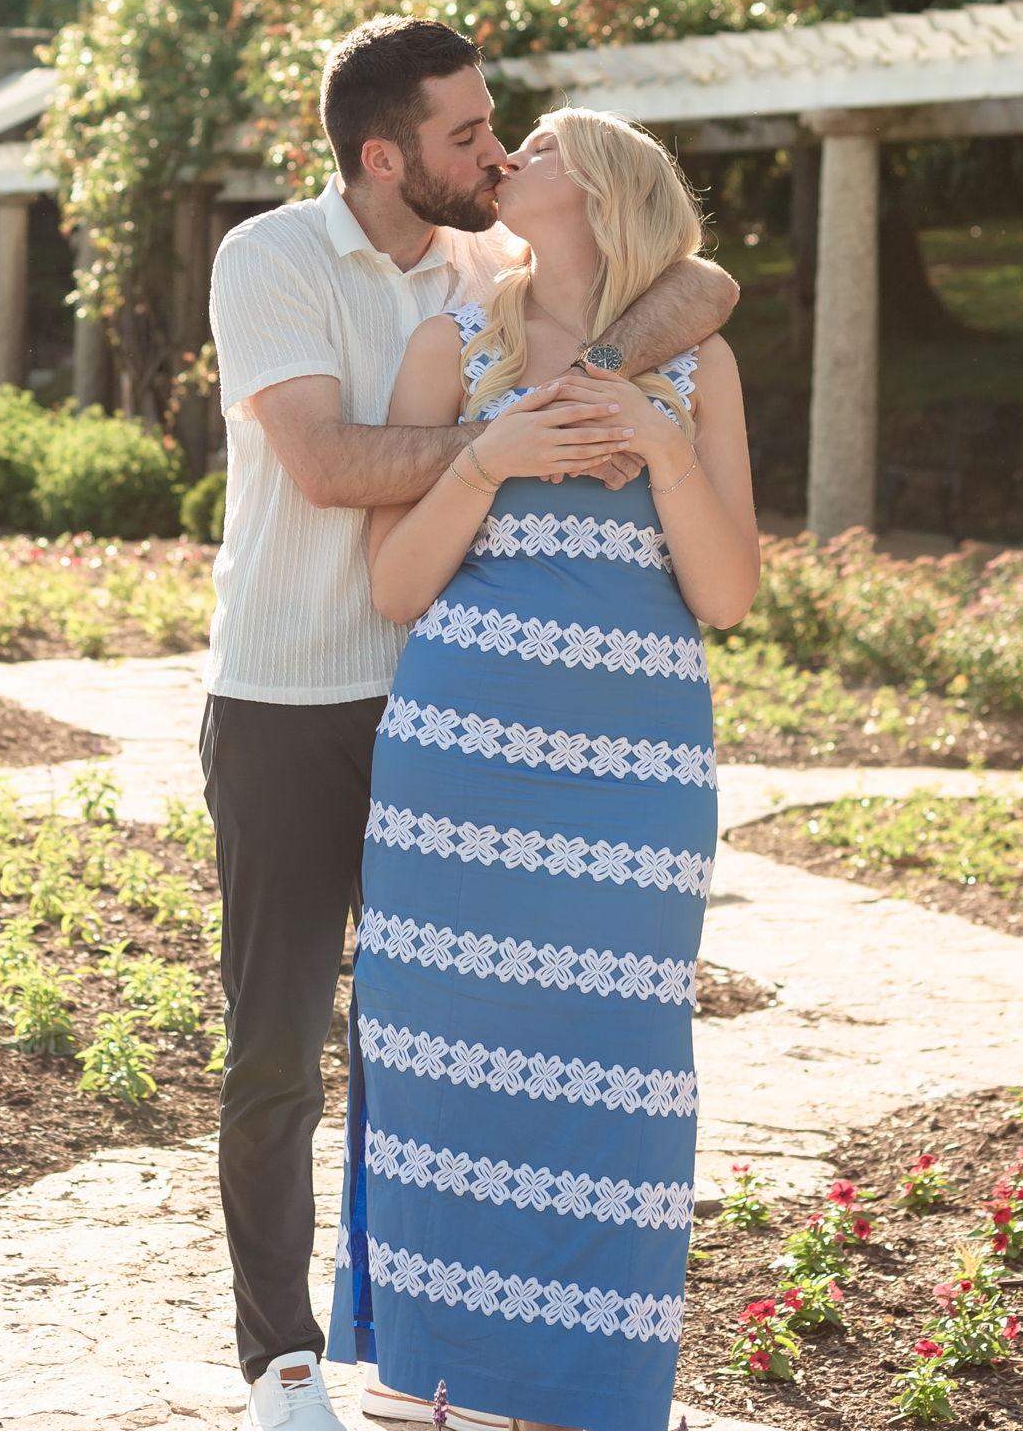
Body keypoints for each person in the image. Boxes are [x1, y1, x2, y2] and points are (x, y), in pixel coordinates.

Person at [202, 16, 739, 1431]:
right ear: (387, 157)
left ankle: (453, 1354)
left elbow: (700, 278)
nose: (496, 151)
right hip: (289, 693)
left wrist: (600, 379)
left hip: (446, 707)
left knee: (435, 1040)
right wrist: (513, 442)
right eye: (470, 132)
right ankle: (284, 1362)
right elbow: (328, 466)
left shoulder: (483, 259)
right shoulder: (272, 258)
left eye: (505, 129)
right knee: (278, 1049)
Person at [324, 107, 761, 1431]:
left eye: (546, 144)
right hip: (461, 768)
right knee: (446, 1047)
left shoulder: (699, 365)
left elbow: (728, 595)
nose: (510, 155)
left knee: (617, 1063)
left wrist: (663, 446)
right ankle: (439, 1376)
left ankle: (584, 1385)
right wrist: (489, 457)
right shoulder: (449, 345)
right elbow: (396, 586)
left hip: (636, 779)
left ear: (613, 188)